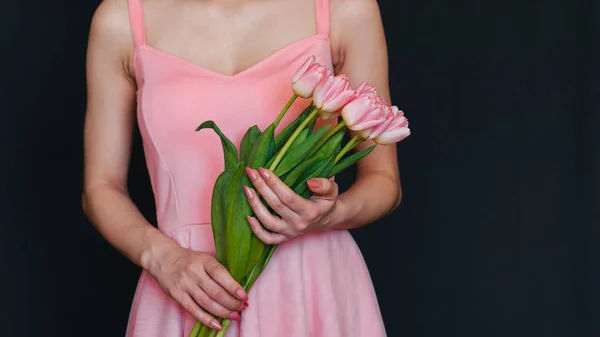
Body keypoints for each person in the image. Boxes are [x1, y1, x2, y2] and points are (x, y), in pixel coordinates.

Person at [82, 0, 401, 335]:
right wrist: (161, 257)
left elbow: (384, 180)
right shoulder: (122, 19)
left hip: (309, 285)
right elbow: (100, 186)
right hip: (186, 285)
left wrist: (331, 214)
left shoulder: (344, 8)